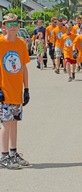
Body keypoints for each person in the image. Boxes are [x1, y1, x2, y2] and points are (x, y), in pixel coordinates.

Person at [0, 13, 30, 170]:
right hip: (3, 90)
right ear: (3, 26)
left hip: (16, 90)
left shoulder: (20, 43)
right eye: (9, 24)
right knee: (6, 123)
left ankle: (13, 152)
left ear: (19, 26)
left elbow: (24, 67)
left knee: (14, 122)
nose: (12, 27)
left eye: (15, 24)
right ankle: (3, 156)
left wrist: (26, 89)